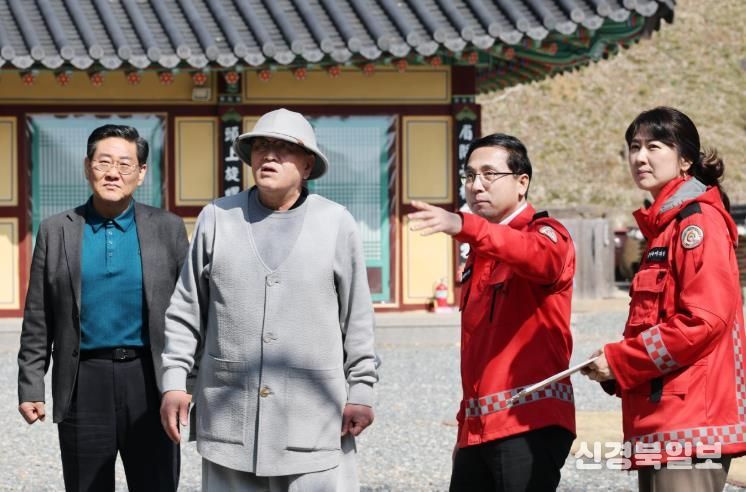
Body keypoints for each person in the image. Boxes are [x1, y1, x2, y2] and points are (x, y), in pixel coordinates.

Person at [159, 108, 378, 491]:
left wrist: (361, 389)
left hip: (314, 415)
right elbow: (186, 310)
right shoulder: (217, 218)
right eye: (260, 146)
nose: (269, 156)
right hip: (230, 412)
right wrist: (175, 381)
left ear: (307, 165)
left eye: (284, 148)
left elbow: (356, 317)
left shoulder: (335, 223)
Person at [581, 107, 745, 491]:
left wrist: (621, 360)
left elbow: (703, 321)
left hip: (691, 424)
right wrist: (614, 367)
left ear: (685, 159)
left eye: (654, 146)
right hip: (663, 420)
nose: (640, 157)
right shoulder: (663, 227)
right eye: (634, 147)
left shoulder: (696, 223)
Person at [17, 124, 188, 491]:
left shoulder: (168, 229)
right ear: (87, 167)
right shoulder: (57, 230)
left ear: (142, 172)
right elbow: (38, 315)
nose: (113, 173)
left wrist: (187, 382)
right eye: (103, 162)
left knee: (156, 483)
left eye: (125, 164)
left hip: (149, 379)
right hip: (83, 379)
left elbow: (189, 311)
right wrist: (31, 384)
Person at [409, 133, 576, 491]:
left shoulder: (546, 235)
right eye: (470, 176)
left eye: (489, 174)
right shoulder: (481, 253)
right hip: (480, 430)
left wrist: (465, 226)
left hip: (528, 424)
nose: (476, 185)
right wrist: (464, 432)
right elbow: (478, 355)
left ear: (522, 183)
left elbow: (535, 256)